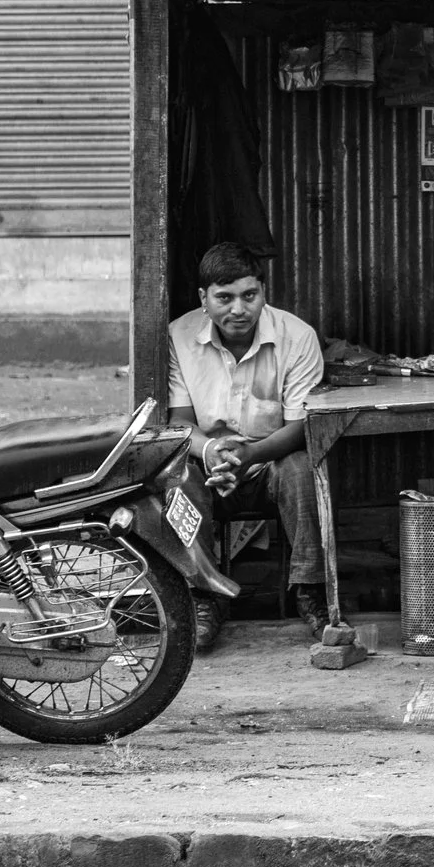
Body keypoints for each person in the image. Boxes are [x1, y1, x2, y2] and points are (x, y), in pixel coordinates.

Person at [165, 241, 326, 652]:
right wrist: (211, 453)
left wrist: (249, 456)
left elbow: (299, 426)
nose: (238, 309)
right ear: (204, 298)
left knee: (305, 466)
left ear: (263, 292)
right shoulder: (178, 337)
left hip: (268, 461)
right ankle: (203, 597)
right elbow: (180, 424)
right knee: (175, 477)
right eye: (224, 298)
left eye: (249, 296)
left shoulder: (297, 336)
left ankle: (312, 593)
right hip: (205, 462)